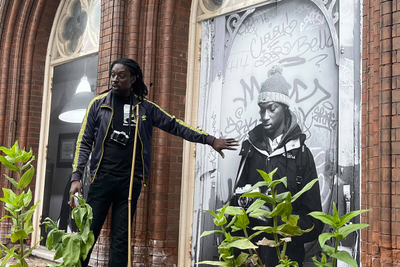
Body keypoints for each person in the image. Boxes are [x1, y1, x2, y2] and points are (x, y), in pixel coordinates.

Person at [69, 58, 238, 267]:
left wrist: (210, 140)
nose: (115, 79)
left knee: (121, 241)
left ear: (133, 79)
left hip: (130, 183)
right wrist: (76, 177)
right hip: (101, 180)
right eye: (113, 75)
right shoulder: (98, 105)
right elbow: (84, 141)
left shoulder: (145, 108)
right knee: (87, 234)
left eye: (121, 76)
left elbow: (175, 125)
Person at [233, 65, 323, 266]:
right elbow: (234, 207)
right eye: (262, 109)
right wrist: (241, 252)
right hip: (252, 258)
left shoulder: (301, 154)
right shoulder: (250, 149)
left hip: (287, 258)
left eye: (272, 109)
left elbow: (315, 222)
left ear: (284, 108)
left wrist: (277, 223)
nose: (265, 116)